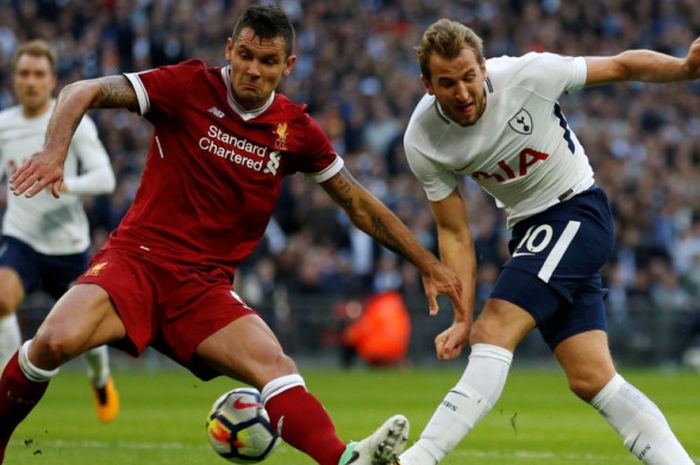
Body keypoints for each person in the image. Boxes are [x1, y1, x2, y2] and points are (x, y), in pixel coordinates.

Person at [0, 6, 464, 465]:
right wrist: (54, 152)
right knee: (52, 342)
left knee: (276, 368)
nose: (252, 70)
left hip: (203, 288)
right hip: (137, 261)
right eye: (244, 55)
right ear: (230, 49)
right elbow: (81, 90)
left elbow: (357, 201)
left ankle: (346, 460)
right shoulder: (187, 86)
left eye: (267, 62)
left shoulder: (295, 131)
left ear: (289, 66)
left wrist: (427, 263)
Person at [396, 19, 699, 465]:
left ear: (483, 67)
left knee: (493, 329)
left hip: (577, 211)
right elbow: (455, 230)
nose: (462, 93)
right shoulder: (422, 139)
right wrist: (462, 314)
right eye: (446, 83)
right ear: (427, 85)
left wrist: (685, 68)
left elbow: (619, 66)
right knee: (592, 378)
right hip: (529, 230)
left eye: (468, 77)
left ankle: (417, 459)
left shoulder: (529, 74)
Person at [0, 40, 120, 424]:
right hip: (21, 238)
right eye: (24, 73)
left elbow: (105, 178)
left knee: (87, 334)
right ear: (14, 79)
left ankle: (100, 380)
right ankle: (7, 389)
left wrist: (68, 184)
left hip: (69, 246)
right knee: (2, 300)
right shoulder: (3, 126)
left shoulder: (72, 120)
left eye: (38, 74)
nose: (30, 81)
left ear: (52, 80)